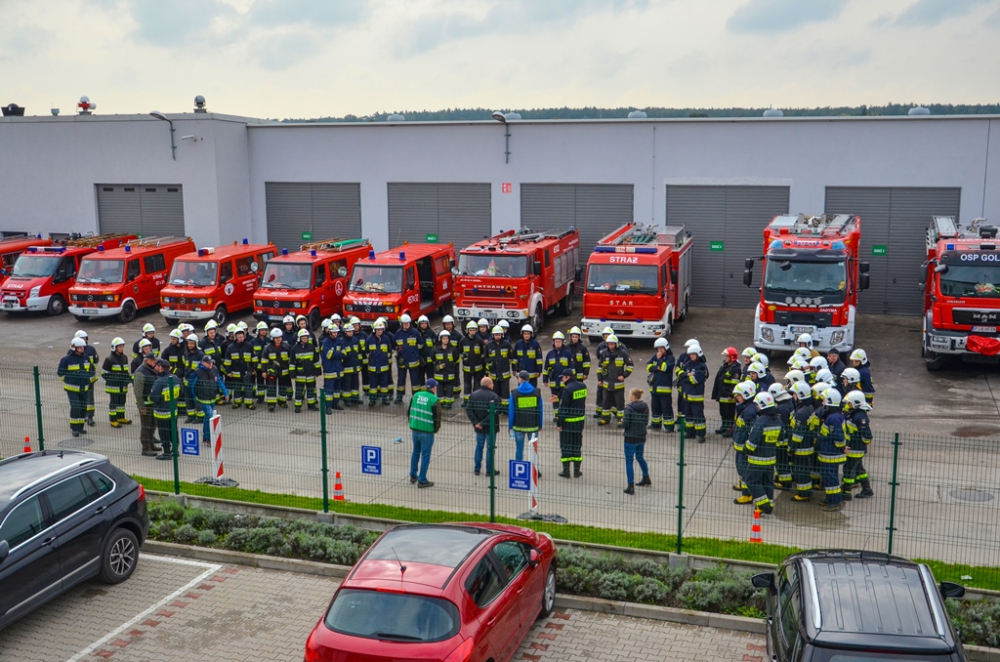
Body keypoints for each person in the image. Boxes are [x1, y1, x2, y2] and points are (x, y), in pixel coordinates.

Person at [744, 391, 781, 514]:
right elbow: (781, 440)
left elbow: (753, 440)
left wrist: (747, 450)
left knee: (751, 481)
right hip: (771, 458)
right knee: (767, 482)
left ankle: (764, 505)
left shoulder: (760, 421)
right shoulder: (778, 421)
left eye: (758, 405)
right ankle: (769, 503)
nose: (756, 407)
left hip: (757, 459)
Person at [812, 388, 847, 512]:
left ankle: (835, 501)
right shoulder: (833, 416)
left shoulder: (833, 419)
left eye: (824, 400)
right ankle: (830, 498)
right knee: (828, 477)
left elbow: (838, 437)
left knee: (831, 478)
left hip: (831, 454)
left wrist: (842, 448)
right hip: (828, 454)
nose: (822, 403)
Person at [408, 377, 441, 488]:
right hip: (427, 431)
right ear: (434, 388)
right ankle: (422, 480)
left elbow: (409, 411)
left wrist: (412, 423)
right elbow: (437, 418)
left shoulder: (416, 395)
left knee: (415, 452)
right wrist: (435, 430)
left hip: (415, 428)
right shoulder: (434, 399)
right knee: (425, 456)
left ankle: (413, 475)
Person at [842, 390, 875, 499]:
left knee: (848, 471)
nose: (847, 405)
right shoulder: (854, 414)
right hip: (853, 448)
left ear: (855, 403)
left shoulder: (860, 417)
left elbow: (867, 436)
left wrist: (858, 444)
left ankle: (846, 492)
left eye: (849, 403)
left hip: (855, 450)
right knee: (859, 470)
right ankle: (867, 489)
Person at [190, 354, 230, 443]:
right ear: (203, 362)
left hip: (212, 397)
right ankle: (208, 438)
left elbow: (219, 381)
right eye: (208, 363)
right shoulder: (197, 372)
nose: (210, 364)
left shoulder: (214, 369)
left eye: (211, 362)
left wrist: (225, 393)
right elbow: (192, 385)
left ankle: (205, 435)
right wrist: (195, 396)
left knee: (207, 417)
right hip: (202, 398)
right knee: (210, 415)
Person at [554, 370, 587, 478]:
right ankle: (577, 471)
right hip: (579, 422)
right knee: (577, 445)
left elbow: (563, 408)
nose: (562, 379)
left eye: (563, 377)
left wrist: (559, 423)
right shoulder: (582, 386)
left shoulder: (567, 390)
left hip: (568, 423)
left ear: (567, 377)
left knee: (566, 446)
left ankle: (566, 471)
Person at [58, 337, 93, 438]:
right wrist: (68, 380)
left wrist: (87, 380)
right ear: (74, 348)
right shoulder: (66, 360)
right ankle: (74, 428)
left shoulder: (86, 358)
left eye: (82, 347)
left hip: (84, 388)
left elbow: (91, 371)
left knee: (83, 407)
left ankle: (80, 427)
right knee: (76, 407)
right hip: (72, 388)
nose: (82, 349)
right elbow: (60, 373)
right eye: (79, 347)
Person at [467, 376, 501, 476]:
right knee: (490, 448)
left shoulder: (473, 395)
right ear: (489, 385)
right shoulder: (494, 396)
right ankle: (489, 470)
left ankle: (477, 469)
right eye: (492, 384)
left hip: (478, 428)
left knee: (479, 447)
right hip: (491, 427)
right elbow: (495, 412)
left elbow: (469, 410)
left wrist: (476, 423)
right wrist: (483, 423)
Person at [788, 381, 816, 502]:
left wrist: (791, 448)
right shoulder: (808, 408)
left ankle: (803, 494)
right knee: (804, 470)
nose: (793, 396)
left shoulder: (801, 412)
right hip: (807, 446)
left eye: (795, 394)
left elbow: (798, 435)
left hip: (801, 448)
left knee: (800, 471)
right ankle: (806, 491)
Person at [731, 381, 758, 504]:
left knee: (744, 470)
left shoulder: (749, 411)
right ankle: (744, 487)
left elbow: (750, 431)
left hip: (744, 448)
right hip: (741, 446)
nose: (737, 397)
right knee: (741, 468)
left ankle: (747, 495)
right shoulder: (745, 408)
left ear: (746, 395)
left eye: (739, 395)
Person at [150, 358, 182, 460]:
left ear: (160, 367)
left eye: (156, 366)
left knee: (164, 433)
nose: (155, 368)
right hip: (173, 412)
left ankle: (167, 453)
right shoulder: (176, 379)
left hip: (162, 413)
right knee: (174, 431)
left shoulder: (159, 382)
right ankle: (175, 451)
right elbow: (181, 392)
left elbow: (154, 398)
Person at [598, 335, 633, 427]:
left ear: (616, 344)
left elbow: (630, 365)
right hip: (606, 384)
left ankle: (621, 419)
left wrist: (624, 375)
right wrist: (600, 379)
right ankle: (605, 418)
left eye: (612, 344)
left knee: (619, 403)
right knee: (606, 402)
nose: (611, 346)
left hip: (618, 385)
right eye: (609, 344)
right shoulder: (604, 353)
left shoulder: (623, 353)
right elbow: (600, 368)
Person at [509, 370, 543, 463]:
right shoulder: (537, 392)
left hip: (518, 426)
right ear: (528, 379)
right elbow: (540, 410)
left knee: (519, 449)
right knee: (533, 449)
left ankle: (519, 468)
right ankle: (535, 469)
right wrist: (540, 425)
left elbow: (511, 412)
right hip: (533, 426)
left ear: (520, 379)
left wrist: (510, 426)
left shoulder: (514, 393)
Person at [622, 388, 651, 495]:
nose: (629, 396)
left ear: (634, 396)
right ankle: (646, 477)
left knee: (629, 461)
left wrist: (622, 421)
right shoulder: (645, 406)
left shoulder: (629, 408)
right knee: (640, 457)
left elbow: (625, 424)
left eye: (630, 394)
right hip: (641, 436)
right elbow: (646, 421)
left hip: (630, 437)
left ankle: (630, 486)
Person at [132, 351, 161, 456]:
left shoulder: (151, 370)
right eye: (152, 360)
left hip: (152, 403)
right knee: (146, 426)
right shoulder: (140, 372)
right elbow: (138, 392)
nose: (154, 362)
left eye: (155, 360)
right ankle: (145, 447)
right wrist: (142, 406)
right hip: (145, 404)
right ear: (147, 360)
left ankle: (151, 444)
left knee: (153, 424)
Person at [542, 331, 574, 422]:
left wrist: (571, 380)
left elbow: (572, 368)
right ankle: (557, 415)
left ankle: (564, 414)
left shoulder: (567, 354)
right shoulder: (550, 354)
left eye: (559, 341)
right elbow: (546, 368)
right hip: (553, 382)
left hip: (564, 383)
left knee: (565, 399)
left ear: (562, 342)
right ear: (553, 342)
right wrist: (545, 379)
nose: (558, 343)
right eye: (556, 341)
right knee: (555, 399)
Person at [646, 338, 676, 433]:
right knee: (655, 407)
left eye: (661, 348)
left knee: (666, 408)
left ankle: (669, 427)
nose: (659, 350)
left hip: (665, 389)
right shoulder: (654, 356)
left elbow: (665, 368)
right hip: (654, 388)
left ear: (666, 348)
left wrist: (659, 361)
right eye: (658, 349)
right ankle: (655, 424)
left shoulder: (670, 358)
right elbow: (648, 367)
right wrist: (657, 367)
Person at [102, 337, 133, 427]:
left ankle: (120, 418)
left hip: (122, 386)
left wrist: (129, 379)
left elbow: (125, 371)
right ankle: (113, 420)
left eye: (122, 346)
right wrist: (114, 380)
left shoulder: (125, 358)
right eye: (120, 347)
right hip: (114, 386)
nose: (122, 348)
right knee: (114, 403)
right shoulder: (109, 359)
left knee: (122, 402)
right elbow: (104, 373)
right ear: (114, 348)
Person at [769, 383, 795, 491]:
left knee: (781, 461)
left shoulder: (781, 408)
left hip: (783, 440)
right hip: (788, 437)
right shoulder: (788, 403)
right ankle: (781, 478)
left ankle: (785, 483)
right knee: (783, 461)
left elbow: (781, 425)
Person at [223, 327, 257, 410]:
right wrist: (228, 371)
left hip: (247, 372)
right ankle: (237, 403)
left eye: (242, 336)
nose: (241, 338)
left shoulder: (249, 345)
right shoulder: (231, 347)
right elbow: (227, 361)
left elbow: (254, 359)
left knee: (248, 388)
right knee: (237, 388)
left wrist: (253, 369)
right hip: (236, 372)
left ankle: (249, 403)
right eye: (239, 337)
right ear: (236, 337)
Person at [680, 344, 709, 440]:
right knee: (688, 416)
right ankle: (690, 433)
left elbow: (695, 380)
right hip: (687, 396)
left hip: (696, 397)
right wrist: (688, 375)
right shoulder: (688, 364)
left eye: (693, 354)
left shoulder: (701, 366)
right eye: (690, 354)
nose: (691, 356)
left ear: (698, 354)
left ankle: (700, 435)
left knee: (698, 417)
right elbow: (680, 373)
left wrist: (686, 377)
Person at [394, 314, 425, 403]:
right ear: (401, 324)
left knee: (415, 381)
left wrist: (415, 353)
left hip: (413, 361)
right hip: (402, 361)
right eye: (405, 323)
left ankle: (416, 397)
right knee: (401, 380)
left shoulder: (415, 333)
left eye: (408, 323)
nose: (406, 325)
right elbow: (395, 345)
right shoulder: (398, 333)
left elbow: (421, 344)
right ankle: (399, 397)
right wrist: (399, 353)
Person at [290, 328, 321, 412]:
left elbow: (316, 360)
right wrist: (292, 373)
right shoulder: (294, 348)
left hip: (310, 374)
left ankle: (311, 405)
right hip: (299, 375)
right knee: (299, 391)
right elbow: (292, 362)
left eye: (306, 338)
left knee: (311, 390)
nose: (305, 339)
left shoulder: (311, 347)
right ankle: (297, 406)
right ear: (299, 338)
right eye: (303, 338)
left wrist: (318, 370)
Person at [713, 347, 742, 435]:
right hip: (722, 395)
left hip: (729, 397)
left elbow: (735, 384)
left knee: (729, 413)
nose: (725, 358)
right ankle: (724, 427)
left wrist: (731, 395)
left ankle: (730, 429)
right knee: (723, 412)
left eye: (727, 356)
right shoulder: (725, 366)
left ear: (732, 357)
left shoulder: (735, 369)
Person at [366, 319, 395, 406]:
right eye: (378, 330)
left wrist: (386, 359)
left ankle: (384, 399)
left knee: (384, 384)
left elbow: (389, 351)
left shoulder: (386, 339)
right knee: (373, 385)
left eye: (381, 330)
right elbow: (367, 352)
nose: (379, 331)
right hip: (373, 367)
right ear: (375, 330)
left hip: (384, 366)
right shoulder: (369, 339)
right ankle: (372, 399)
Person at [262, 327, 292, 410]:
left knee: (282, 387)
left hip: (284, 371)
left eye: (279, 337)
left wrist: (291, 370)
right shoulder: (267, 348)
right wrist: (264, 371)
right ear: (272, 338)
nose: (278, 339)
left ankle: (282, 402)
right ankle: (271, 404)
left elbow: (291, 359)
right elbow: (264, 361)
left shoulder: (287, 346)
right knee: (271, 388)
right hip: (271, 372)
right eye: (276, 338)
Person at [432, 329, 462, 408]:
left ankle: (449, 403)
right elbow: (432, 359)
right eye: (443, 339)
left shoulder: (453, 349)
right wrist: (438, 366)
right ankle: (441, 403)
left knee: (449, 388)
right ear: (440, 339)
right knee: (440, 388)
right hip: (439, 374)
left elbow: (456, 359)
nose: (445, 340)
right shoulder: (435, 349)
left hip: (449, 373)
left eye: (447, 338)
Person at [74, 329, 99, 426]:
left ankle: (90, 417)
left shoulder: (91, 349)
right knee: (80, 399)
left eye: (84, 338)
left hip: (89, 380)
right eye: (81, 339)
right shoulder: (72, 352)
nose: (83, 340)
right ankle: (81, 416)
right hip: (78, 381)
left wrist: (91, 372)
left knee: (90, 399)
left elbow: (95, 361)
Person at [484, 325, 513, 408]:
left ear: (502, 335)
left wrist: (510, 367)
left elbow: (511, 357)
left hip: (504, 374)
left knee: (505, 393)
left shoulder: (507, 345)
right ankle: (496, 408)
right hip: (493, 374)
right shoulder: (488, 346)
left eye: (499, 335)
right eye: (496, 335)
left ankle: (505, 408)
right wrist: (489, 365)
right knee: (494, 392)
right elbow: (485, 359)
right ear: (493, 335)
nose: (497, 336)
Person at [459, 320, 485, 408]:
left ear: (476, 330)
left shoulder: (480, 341)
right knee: (467, 385)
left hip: (478, 368)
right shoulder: (463, 340)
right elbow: (460, 352)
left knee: (477, 385)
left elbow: (483, 354)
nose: (472, 332)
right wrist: (463, 356)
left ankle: (475, 401)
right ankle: (466, 401)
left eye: (474, 330)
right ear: (467, 330)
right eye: (470, 330)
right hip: (466, 368)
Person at [182, 334, 205, 423]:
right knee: (188, 400)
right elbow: (185, 366)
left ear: (196, 344)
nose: (190, 345)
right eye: (189, 343)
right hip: (187, 381)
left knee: (197, 400)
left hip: (196, 382)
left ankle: (200, 417)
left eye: (192, 343)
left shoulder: (200, 354)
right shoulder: (186, 354)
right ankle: (191, 416)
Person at [321, 323, 344, 413]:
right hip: (329, 370)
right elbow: (329, 355)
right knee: (329, 391)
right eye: (334, 332)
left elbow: (344, 353)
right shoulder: (325, 342)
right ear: (329, 332)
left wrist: (335, 354)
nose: (335, 334)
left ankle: (335, 404)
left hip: (338, 370)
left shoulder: (340, 341)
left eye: (336, 332)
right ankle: (328, 407)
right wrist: (338, 354)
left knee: (337, 390)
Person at [594, 327, 614, 420]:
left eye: (608, 336)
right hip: (604, 372)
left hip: (613, 373)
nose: (606, 338)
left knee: (613, 393)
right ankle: (599, 410)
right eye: (605, 336)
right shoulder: (601, 346)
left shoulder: (620, 346)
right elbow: (598, 356)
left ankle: (615, 410)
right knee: (600, 392)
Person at [341, 322, 361, 406]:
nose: (351, 333)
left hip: (355, 367)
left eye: (351, 331)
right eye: (349, 331)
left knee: (355, 384)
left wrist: (360, 364)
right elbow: (341, 357)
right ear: (345, 332)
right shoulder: (342, 342)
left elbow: (359, 353)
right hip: (346, 368)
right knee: (347, 385)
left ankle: (355, 398)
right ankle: (347, 400)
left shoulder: (355, 340)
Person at [251, 321, 271, 404]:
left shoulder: (269, 341)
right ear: (258, 331)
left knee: (270, 384)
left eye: (265, 330)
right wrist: (253, 367)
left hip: (268, 367)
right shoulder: (253, 342)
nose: (264, 332)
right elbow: (252, 355)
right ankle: (260, 398)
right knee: (260, 383)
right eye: (262, 330)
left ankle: (270, 399)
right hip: (258, 367)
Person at [416, 314, 437, 384]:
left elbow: (436, 347)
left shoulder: (432, 334)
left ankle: (430, 390)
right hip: (420, 362)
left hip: (430, 362)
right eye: (422, 323)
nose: (424, 325)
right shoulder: (416, 334)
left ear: (428, 324)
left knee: (431, 379)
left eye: (425, 323)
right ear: (419, 324)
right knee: (420, 378)